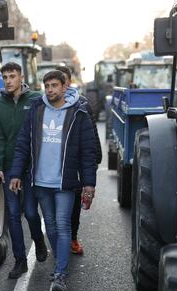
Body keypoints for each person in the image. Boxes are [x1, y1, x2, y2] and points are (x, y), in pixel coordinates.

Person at [9, 70, 98, 291]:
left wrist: (89, 184)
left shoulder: (79, 113)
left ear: (64, 87)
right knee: (49, 226)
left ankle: (60, 273)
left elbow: (88, 153)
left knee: (63, 224)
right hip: (40, 182)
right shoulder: (36, 111)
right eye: (47, 86)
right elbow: (23, 144)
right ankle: (61, 264)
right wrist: (17, 173)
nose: (50, 90)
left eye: (54, 85)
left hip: (65, 183)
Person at [0, 62, 48, 279]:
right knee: (13, 216)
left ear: (20, 77)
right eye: (4, 77)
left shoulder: (35, 99)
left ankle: (39, 240)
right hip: (8, 166)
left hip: (30, 167)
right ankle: (20, 261)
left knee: (31, 212)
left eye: (12, 76)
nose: (8, 81)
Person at [55, 65, 102, 255]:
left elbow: (91, 133)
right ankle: (59, 236)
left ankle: (72, 237)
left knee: (74, 205)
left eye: (64, 81)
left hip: (73, 164)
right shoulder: (46, 105)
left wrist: (95, 158)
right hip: (53, 165)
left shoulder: (81, 103)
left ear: (68, 82)